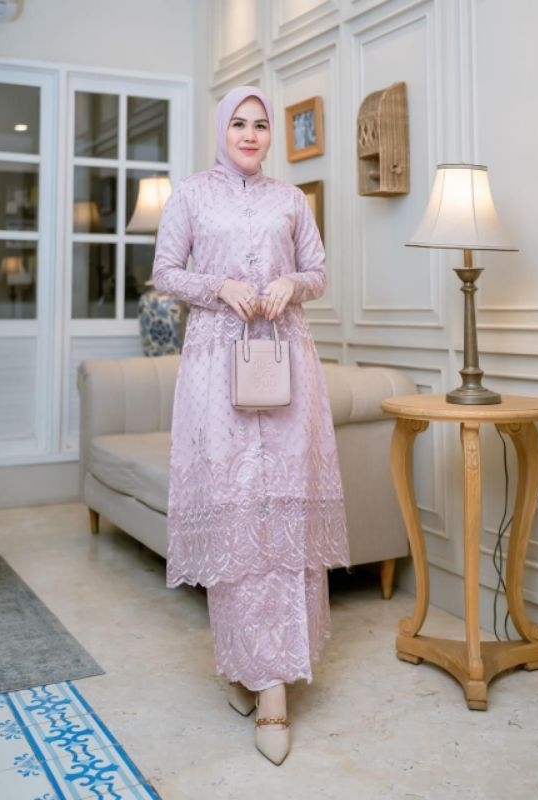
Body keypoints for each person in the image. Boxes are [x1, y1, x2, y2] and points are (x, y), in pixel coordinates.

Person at [151, 85, 349, 766]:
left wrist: (293, 284)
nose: (250, 133)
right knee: (236, 513)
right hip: (217, 367)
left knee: (281, 511)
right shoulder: (190, 195)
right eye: (238, 122)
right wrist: (219, 287)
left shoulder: (290, 200)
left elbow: (318, 271)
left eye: (260, 124)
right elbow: (165, 272)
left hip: (286, 362)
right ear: (222, 128)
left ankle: (274, 687)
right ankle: (245, 665)